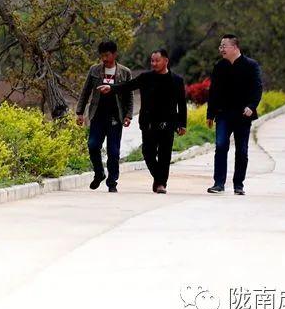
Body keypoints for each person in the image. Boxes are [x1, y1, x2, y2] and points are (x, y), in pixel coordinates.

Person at [97, 48, 187, 194]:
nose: (154, 63)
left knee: (165, 156)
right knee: (148, 153)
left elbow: (182, 104)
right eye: (152, 60)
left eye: (157, 60)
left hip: (168, 124)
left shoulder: (176, 80)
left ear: (166, 61)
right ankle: (159, 178)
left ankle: (161, 184)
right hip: (149, 124)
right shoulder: (146, 77)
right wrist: (111, 88)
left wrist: (182, 123)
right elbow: (128, 86)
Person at [206, 34, 263, 196]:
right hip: (223, 114)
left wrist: (252, 106)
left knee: (242, 150)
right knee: (221, 146)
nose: (221, 49)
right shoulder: (219, 66)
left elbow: (257, 88)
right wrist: (210, 114)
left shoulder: (251, 65)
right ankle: (218, 183)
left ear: (235, 47)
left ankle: (239, 184)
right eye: (220, 46)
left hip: (243, 115)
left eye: (224, 46)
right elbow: (213, 91)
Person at [75, 40, 133, 192]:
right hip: (97, 115)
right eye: (102, 55)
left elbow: (129, 95)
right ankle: (99, 172)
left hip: (116, 117)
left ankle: (112, 182)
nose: (104, 59)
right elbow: (85, 91)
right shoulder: (94, 70)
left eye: (107, 55)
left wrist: (128, 115)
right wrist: (79, 112)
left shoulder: (124, 72)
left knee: (113, 151)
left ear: (115, 54)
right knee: (93, 145)